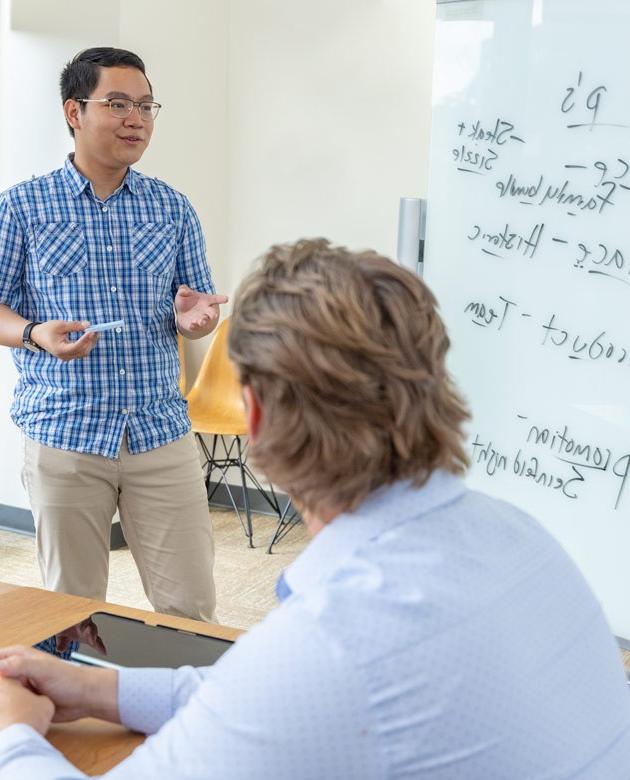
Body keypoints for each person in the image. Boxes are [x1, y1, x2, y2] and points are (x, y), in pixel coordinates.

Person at [0, 238, 629, 778]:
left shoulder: (336, 642)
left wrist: (14, 736)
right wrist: (99, 688)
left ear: (255, 416)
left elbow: (297, 687)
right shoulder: (517, 535)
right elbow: (259, 696)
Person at [0, 48, 226, 621]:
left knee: (191, 610)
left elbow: (197, 305)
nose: (138, 119)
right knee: (71, 615)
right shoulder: (22, 208)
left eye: (147, 105)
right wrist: (33, 334)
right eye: (118, 104)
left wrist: (197, 319)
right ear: (74, 112)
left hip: (161, 433)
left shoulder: (172, 208)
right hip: (66, 432)